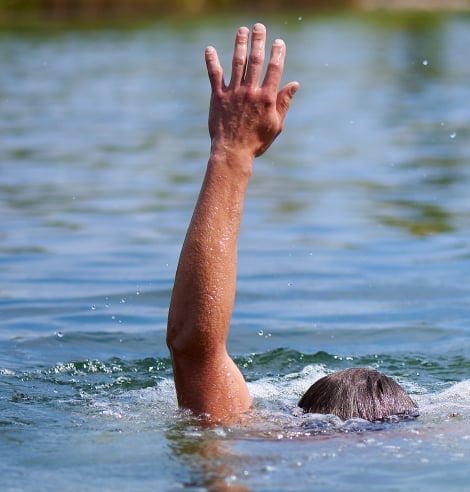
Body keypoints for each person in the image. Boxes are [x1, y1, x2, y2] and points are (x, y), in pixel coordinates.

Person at [166, 23, 417, 423]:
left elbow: (193, 346)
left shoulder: (268, 446)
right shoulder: (444, 442)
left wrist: (232, 151)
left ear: (298, 420)